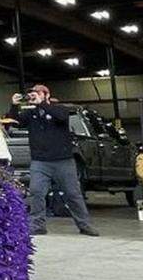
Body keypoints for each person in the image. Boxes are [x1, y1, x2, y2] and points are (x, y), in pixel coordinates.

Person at [8, 84, 99, 237]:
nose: (33, 96)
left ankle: (84, 224)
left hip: (63, 161)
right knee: (37, 191)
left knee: (72, 193)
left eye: (37, 93)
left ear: (47, 94)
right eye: (31, 93)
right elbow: (15, 122)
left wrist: (42, 104)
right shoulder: (31, 114)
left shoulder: (59, 109)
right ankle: (38, 224)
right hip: (40, 161)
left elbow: (61, 117)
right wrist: (14, 106)